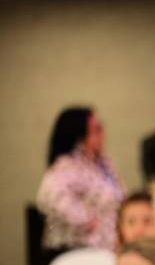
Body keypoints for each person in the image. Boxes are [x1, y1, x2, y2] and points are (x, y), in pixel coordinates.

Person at [37, 106, 125, 251]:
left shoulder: (104, 163)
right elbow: (49, 199)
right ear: (80, 136)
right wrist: (91, 222)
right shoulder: (66, 167)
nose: (103, 133)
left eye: (102, 127)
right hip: (80, 248)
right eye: (96, 129)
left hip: (112, 244)